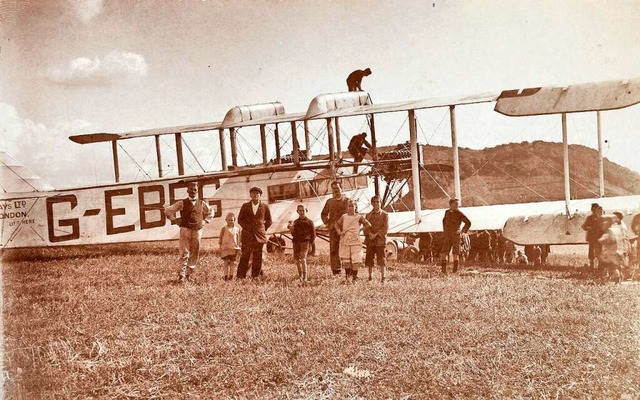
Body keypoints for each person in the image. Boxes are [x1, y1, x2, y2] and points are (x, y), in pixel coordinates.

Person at [164, 181, 212, 283]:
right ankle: (181, 276)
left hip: (197, 230)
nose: (193, 192)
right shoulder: (181, 203)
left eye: (195, 190)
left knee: (194, 252)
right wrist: (174, 219)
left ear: (197, 191)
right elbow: (168, 210)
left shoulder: (202, 203)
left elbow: (211, 212)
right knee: (184, 252)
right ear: (187, 191)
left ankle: (188, 275)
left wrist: (205, 221)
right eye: (191, 189)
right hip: (185, 230)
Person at [237, 187, 272, 279]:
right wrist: (248, 228)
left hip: (259, 236)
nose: (255, 195)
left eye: (257, 194)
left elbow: (269, 221)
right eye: (253, 193)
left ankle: (255, 276)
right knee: (245, 255)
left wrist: (262, 229)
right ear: (250, 195)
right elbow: (240, 220)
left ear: (260, 196)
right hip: (247, 235)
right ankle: (240, 276)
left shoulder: (265, 206)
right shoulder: (245, 206)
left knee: (258, 256)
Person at [335, 199, 371, 282]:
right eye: (349, 206)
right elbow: (336, 225)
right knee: (346, 260)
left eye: (352, 206)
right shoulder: (344, 216)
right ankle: (347, 277)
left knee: (356, 260)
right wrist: (339, 232)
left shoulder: (359, 217)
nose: (351, 208)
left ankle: (354, 278)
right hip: (345, 240)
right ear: (347, 207)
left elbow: (368, 224)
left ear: (356, 207)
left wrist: (359, 229)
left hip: (355, 241)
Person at [321, 181, 350, 276]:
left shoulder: (347, 201)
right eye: (333, 188)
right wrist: (328, 223)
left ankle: (348, 271)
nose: (335, 190)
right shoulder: (329, 202)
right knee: (334, 250)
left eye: (337, 188)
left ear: (341, 188)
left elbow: (354, 213)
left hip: (345, 230)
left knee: (346, 250)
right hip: (333, 230)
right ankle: (336, 271)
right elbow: (324, 214)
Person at [440, 198, 471, 273]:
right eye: (455, 204)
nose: (457, 205)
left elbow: (468, 222)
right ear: (450, 204)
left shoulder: (459, 213)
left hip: (455, 235)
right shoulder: (447, 212)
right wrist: (445, 231)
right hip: (448, 235)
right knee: (444, 252)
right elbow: (444, 222)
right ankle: (443, 271)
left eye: (458, 204)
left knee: (455, 253)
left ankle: (455, 271)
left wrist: (462, 231)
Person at [289, 204, 316, 282]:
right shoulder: (296, 222)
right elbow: (293, 234)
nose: (301, 212)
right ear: (297, 211)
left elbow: (313, 234)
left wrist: (311, 243)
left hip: (305, 242)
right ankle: (300, 275)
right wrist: (291, 229)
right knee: (297, 259)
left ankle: (305, 276)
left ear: (306, 211)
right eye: (300, 211)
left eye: (303, 210)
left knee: (303, 259)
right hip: (296, 242)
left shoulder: (309, 222)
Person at [364, 196, 388, 282]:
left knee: (381, 259)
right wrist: (369, 234)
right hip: (370, 241)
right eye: (374, 202)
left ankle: (383, 277)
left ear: (380, 203)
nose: (376, 204)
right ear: (371, 203)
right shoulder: (368, 215)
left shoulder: (385, 215)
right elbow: (365, 227)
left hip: (380, 241)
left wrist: (376, 234)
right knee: (369, 259)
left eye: (377, 202)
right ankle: (370, 276)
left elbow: (385, 228)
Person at [598, 217, 625, 283]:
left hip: (611, 252)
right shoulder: (617, 229)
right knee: (616, 266)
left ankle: (606, 278)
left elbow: (603, 240)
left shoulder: (609, 231)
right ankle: (618, 278)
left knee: (610, 266)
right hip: (619, 251)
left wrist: (600, 240)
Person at [219, 212, 241, 281]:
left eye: (232, 220)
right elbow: (221, 238)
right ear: (226, 220)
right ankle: (225, 276)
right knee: (225, 263)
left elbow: (239, 239)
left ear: (234, 220)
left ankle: (231, 276)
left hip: (233, 248)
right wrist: (220, 247)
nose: (230, 222)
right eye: (229, 220)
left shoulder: (237, 229)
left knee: (232, 263)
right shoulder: (224, 229)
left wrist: (238, 247)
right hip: (225, 248)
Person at [582, 203, 604, 269]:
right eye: (593, 209)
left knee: (600, 251)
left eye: (595, 209)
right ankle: (591, 266)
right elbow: (584, 226)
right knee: (591, 252)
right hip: (592, 238)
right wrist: (590, 228)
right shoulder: (589, 218)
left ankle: (600, 267)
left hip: (599, 237)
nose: (594, 210)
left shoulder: (601, 217)